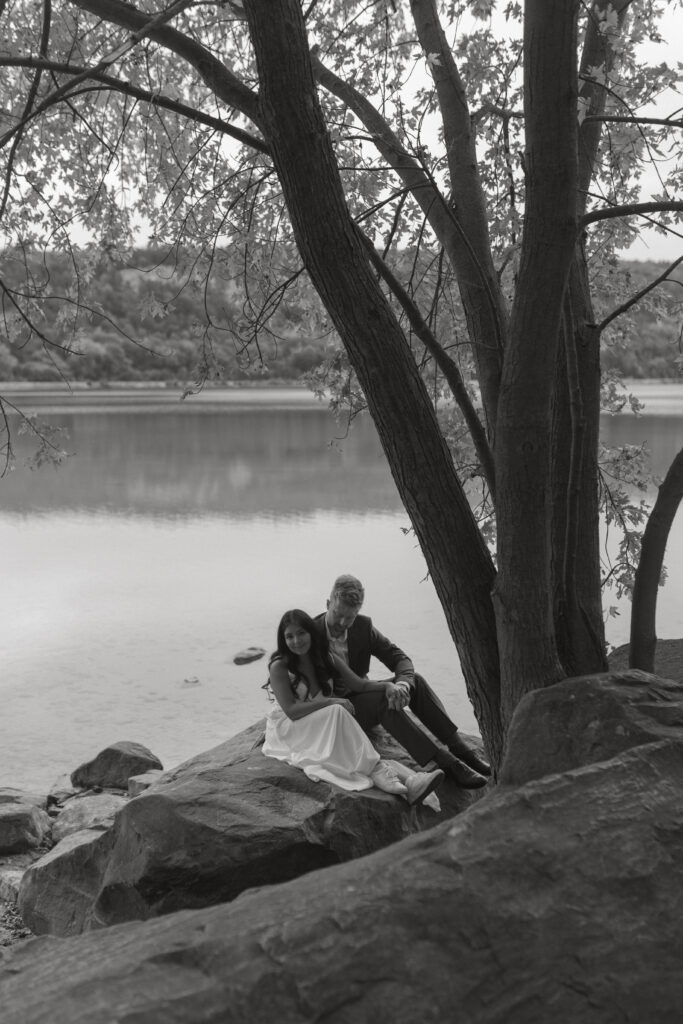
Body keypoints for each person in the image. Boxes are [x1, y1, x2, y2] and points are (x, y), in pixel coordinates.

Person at [314, 575, 491, 788]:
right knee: (383, 700)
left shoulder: (363, 627)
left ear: (357, 613)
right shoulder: (310, 634)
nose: (342, 623)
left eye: (349, 617)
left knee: (414, 680)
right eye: (337, 614)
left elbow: (399, 658)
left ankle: (460, 748)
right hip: (337, 712)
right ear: (328, 603)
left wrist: (402, 685)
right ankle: (446, 762)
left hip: (362, 695)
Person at [262, 609, 444, 806]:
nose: (296, 641)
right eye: (289, 636)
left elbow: (360, 685)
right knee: (338, 710)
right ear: (283, 639)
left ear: (311, 633)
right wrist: (331, 701)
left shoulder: (326, 657)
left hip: (317, 720)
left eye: (301, 633)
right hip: (290, 726)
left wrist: (388, 686)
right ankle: (382, 772)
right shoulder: (280, 666)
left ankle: (406, 779)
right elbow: (291, 710)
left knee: (342, 724)